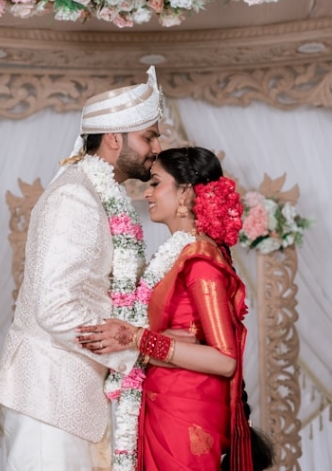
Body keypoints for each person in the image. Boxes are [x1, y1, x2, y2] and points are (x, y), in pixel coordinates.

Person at [0, 66, 164, 471]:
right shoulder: (76, 197)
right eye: (149, 136)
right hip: (48, 395)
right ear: (114, 138)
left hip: (71, 392)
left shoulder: (100, 194)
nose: (157, 146)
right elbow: (56, 308)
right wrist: (131, 350)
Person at [77, 147, 272, 471]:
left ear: (185, 192)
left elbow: (224, 359)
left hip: (185, 414)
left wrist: (139, 338)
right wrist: (152, 343)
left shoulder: (200, 261)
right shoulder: (179, 257)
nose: (148, 192)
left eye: (156, 183)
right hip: (166, 401)